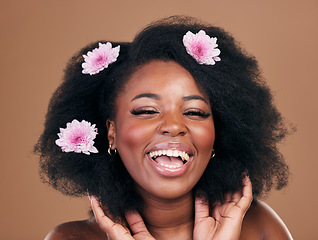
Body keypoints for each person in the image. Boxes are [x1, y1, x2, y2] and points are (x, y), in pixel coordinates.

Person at [35, 16, 293, 239]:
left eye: (194, 112)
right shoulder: (70, 239)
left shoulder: (259, 227)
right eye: (147, 111)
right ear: (111, 133)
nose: (173, 126)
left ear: (217, 134)